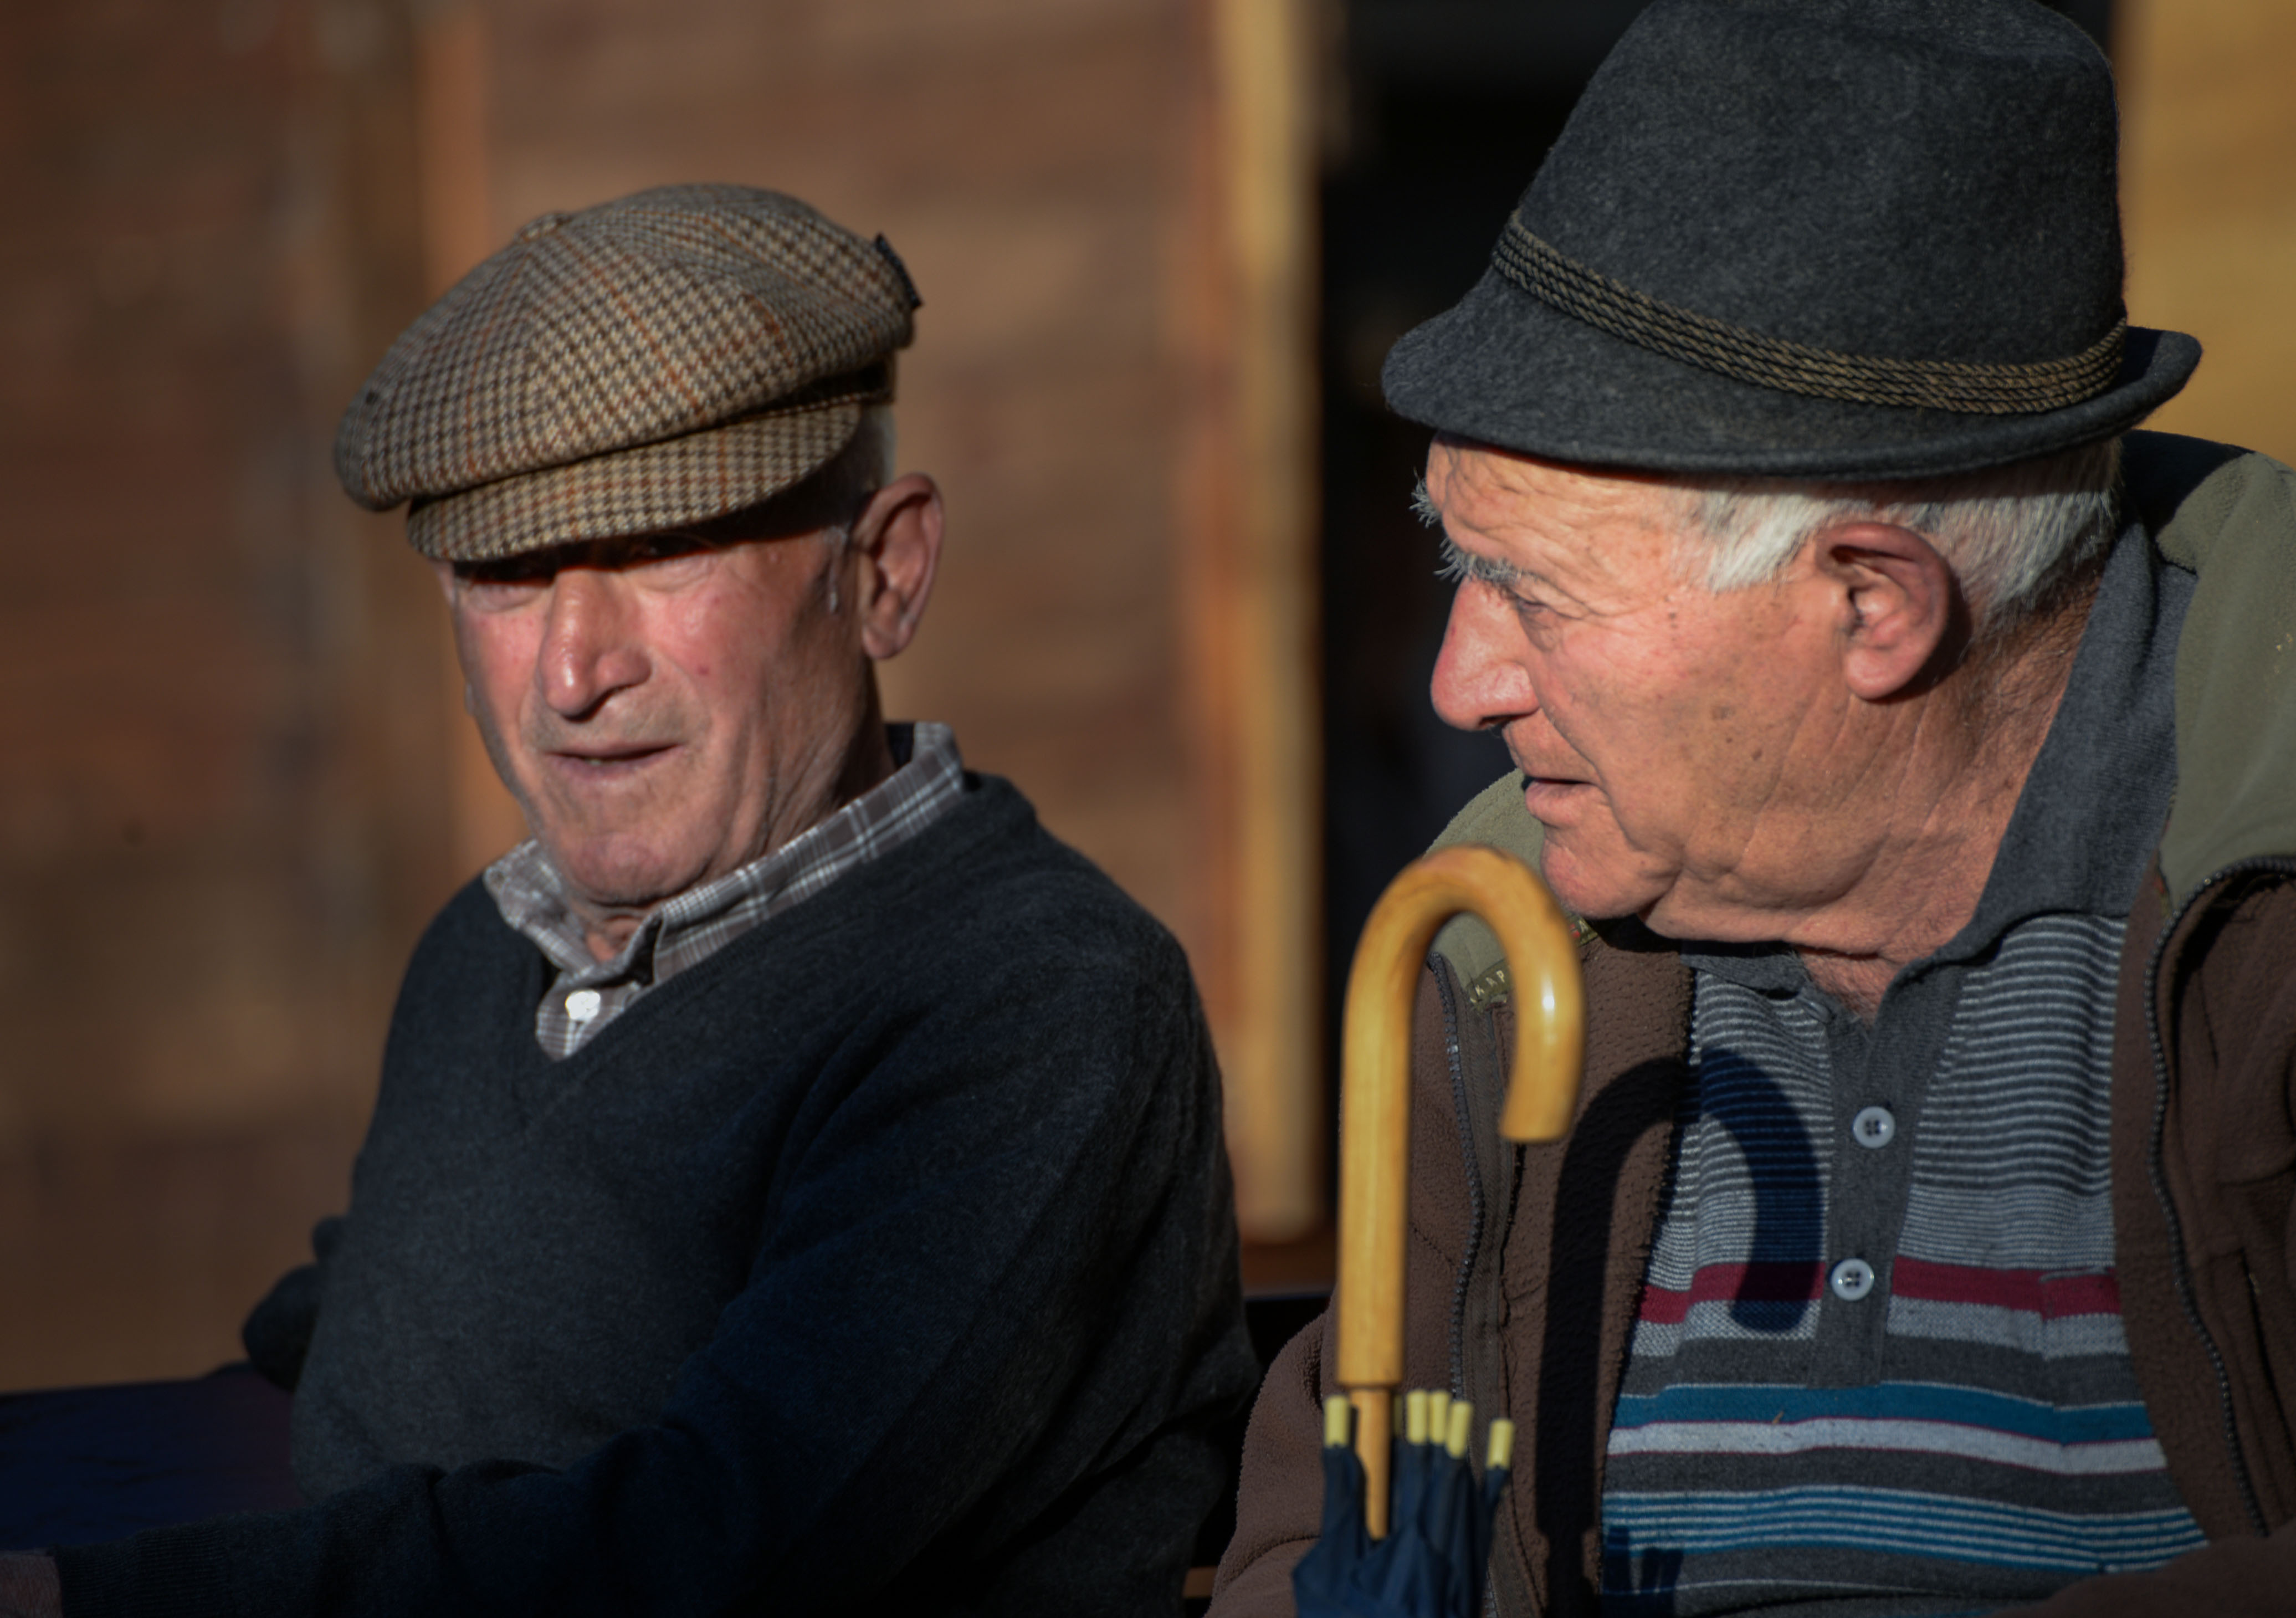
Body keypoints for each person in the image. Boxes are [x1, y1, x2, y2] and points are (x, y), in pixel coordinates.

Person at [0, 183, 1254, 1617]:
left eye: (665, 551)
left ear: (886, 573)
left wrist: (82, 1602)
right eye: (505, 574)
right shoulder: (486, 951)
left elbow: (710, 1551)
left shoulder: (1031, 1005)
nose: (574, 670)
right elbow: (337, 1358)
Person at [1213, 2, 2296, 1614]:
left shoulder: (2256, 919)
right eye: (1456, 560)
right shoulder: (1497, 957)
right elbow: (1318, 1547)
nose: (1459, 684)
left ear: (1873, 608)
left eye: (1531, 590)